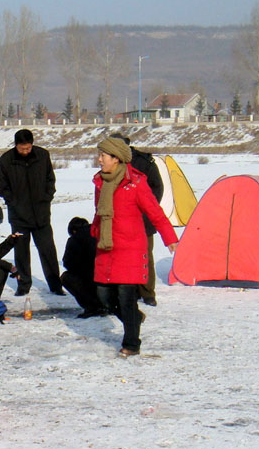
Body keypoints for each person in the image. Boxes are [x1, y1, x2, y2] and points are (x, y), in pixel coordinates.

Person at [91, 137, 178, 357]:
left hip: (130, 248)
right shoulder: (100, 182)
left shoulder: (136, 183)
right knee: (104, 296)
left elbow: (155, 213)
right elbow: (99, 212)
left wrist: (170, 238)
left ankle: (131, 343)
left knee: (126, 298)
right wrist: (95, 231)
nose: (99, 159)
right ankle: (135, 319)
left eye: (103, 155)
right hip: (107, 246)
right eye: (99, 155)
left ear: (116, 158)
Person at [0, 129, 63, 296]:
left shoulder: (42, 155)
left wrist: (47, 197)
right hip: (18, 216)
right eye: (22, 148)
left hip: (41, 213)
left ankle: (55, 285)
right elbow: (1, 188)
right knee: (21, 253)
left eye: (28, 148)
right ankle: (23, 284)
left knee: (48, 250)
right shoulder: (6, 160)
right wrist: (14, 202)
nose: (25, 151)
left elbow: (50, 179)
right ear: (16, 145)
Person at [111, 133, 164, 306]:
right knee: (122, 257)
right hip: (119, 220)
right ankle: (128, 291)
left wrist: (145, 207)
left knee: (145, 256)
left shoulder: (144, 162)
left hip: (143, 220)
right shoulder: (110, 164)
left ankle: (148, 293)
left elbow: (157, 187)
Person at [60, 217, 106, 319]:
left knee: (65, 277)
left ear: (73, 230)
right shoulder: (101, 232)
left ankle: (92, 307)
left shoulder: (74, 239)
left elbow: (67, 263)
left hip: (88, 279)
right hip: (108, 278)